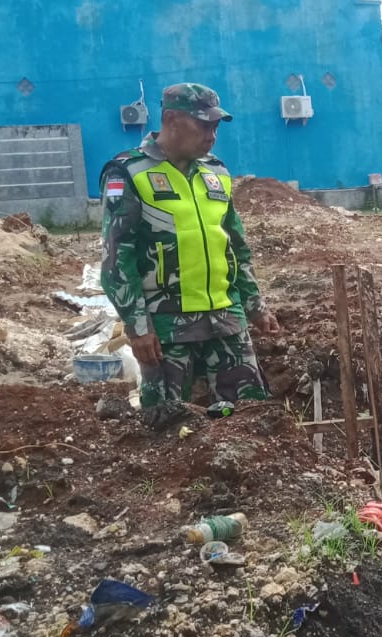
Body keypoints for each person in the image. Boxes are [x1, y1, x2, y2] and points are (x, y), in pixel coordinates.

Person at [100, 83, 279, 429]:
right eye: (203, 125)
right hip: (166, 328)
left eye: (216, 126)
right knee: (168, 428)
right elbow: (116, 258)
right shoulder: (130, 172)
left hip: (226, 320)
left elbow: (235, 247)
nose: (212, 135)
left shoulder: (217, 173)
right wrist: (137, 328)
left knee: (248, 421)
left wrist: (255, 306)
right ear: (171, 119)